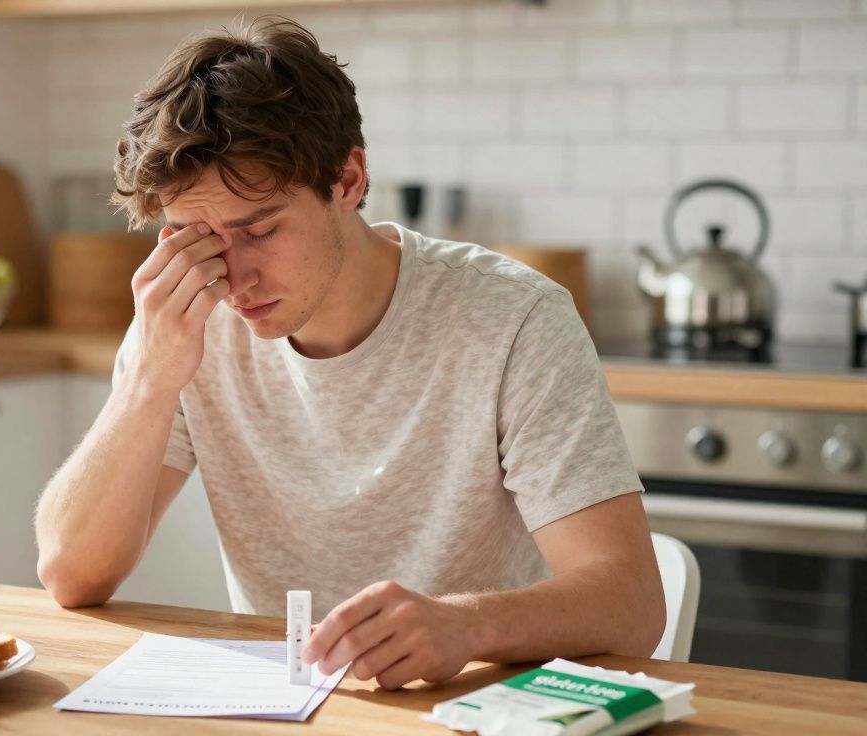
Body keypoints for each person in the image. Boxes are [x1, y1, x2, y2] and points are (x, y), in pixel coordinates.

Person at [34, 16, 665, 690]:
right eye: (198, 237)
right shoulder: (188, 321)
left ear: (348, 180)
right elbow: (71, 575)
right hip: (284, 708)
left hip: (471, 707)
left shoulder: (513, 319)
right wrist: (148, 381)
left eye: (260, 230)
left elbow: (631, 604)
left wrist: (467, 626)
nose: (233, 277)